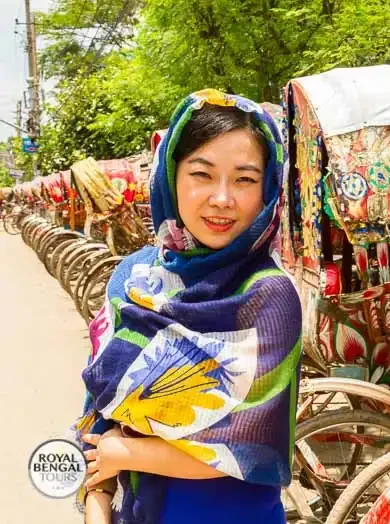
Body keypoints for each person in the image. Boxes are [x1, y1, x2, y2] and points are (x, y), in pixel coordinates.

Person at [72, 89, 302, 524]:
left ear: (267, 189)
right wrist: (97, 506)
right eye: (202, 174)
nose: (222, 198)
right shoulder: (133, 278)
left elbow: (251, 448)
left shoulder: (268, 296)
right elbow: (95, 414)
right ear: (171, 177)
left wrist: (127, 451)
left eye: (245, 179)